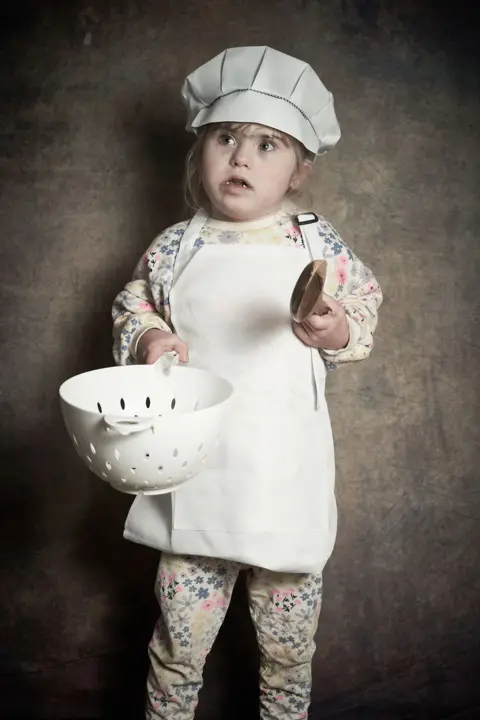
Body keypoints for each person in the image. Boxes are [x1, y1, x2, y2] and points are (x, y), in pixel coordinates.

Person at [112, 46, 382, 720]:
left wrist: (333, 330)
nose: (241, 157)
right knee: (178, 644)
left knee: (288, 651)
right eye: (225, 138)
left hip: (282, 480)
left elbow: (362, 308)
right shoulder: (176, 245)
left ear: (301, 170)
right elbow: (133, 303)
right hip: (194, 481)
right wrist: (148, 336)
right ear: (200, 152)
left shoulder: (316, 242)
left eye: (267, 144)